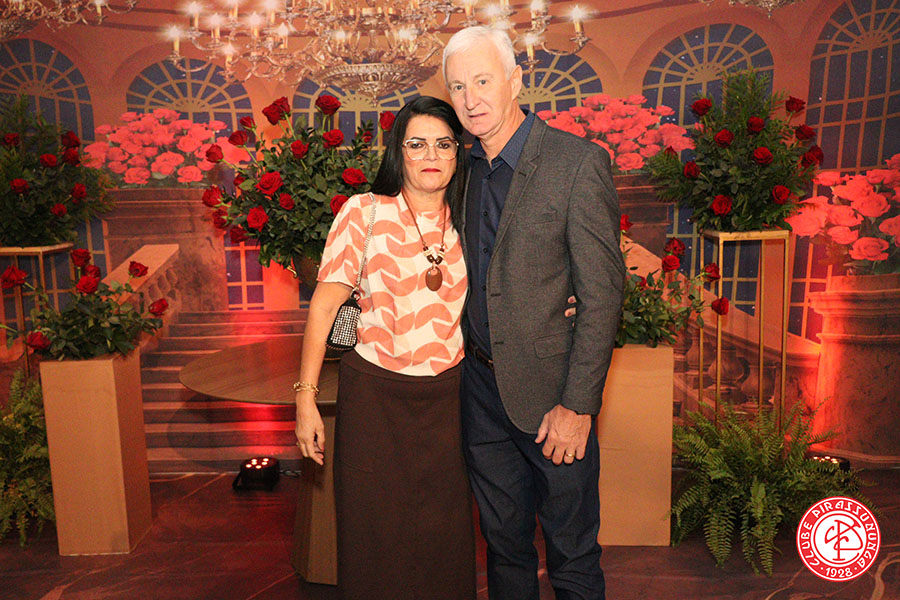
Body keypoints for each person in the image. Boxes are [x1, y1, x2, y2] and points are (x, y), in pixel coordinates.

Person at [443, 26, 626, 600]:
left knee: (572, 554)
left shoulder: (577, 163)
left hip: (553, 397)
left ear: (515, 80)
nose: (471, 99)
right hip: (480, 395)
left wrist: (579, 405)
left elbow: (602, 295)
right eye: (458, 87)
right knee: (503, 549)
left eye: (482, 81)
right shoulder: (461, 169)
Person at [293, 96, 475, 600]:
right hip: (374, 398)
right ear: (399, 151)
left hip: (450, 400)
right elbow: (323, 309)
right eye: (417, 144)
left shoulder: (471, 216)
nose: (431, 155)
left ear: (458, 153)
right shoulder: (364, 212)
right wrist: (305, 398)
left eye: (444, 144)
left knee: (445, 536)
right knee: (374, 535)